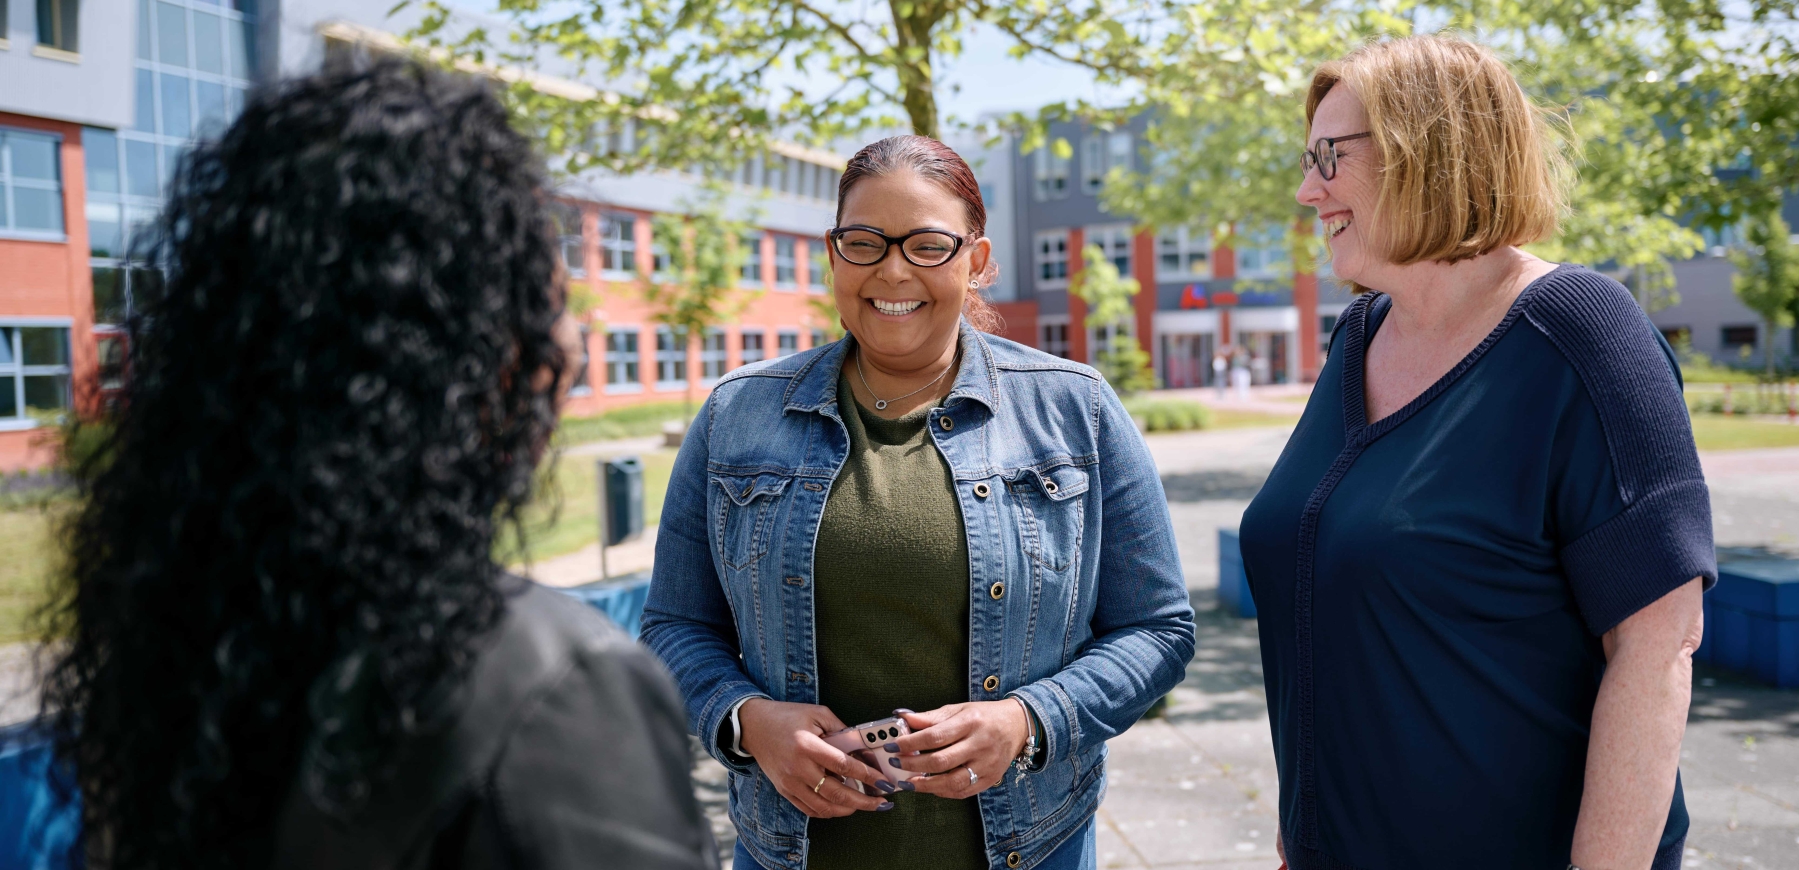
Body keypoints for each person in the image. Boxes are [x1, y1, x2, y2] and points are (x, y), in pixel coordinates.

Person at [40, 61, 717, 870]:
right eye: (550, 304)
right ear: (473, 357)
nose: (569, 346)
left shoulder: (182, 654)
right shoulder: (555, 687)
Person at [641, 135, 1195, 870]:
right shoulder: (736, 415)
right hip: (790, 852)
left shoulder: (1077, 410)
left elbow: (1157, 629)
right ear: (833, 254)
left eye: (929, 244)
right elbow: (674, 625)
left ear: (978, 260)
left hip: (1031, 847)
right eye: (864, 242)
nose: (892, 269)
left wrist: (1028, 721)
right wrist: (748, 723)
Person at [1239, 35, 1713, 870]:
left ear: (1427, 150)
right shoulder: (1358, 337)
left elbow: (1657, 643)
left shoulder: (1581, 332)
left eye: (1329, 156)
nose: (1307, 188)